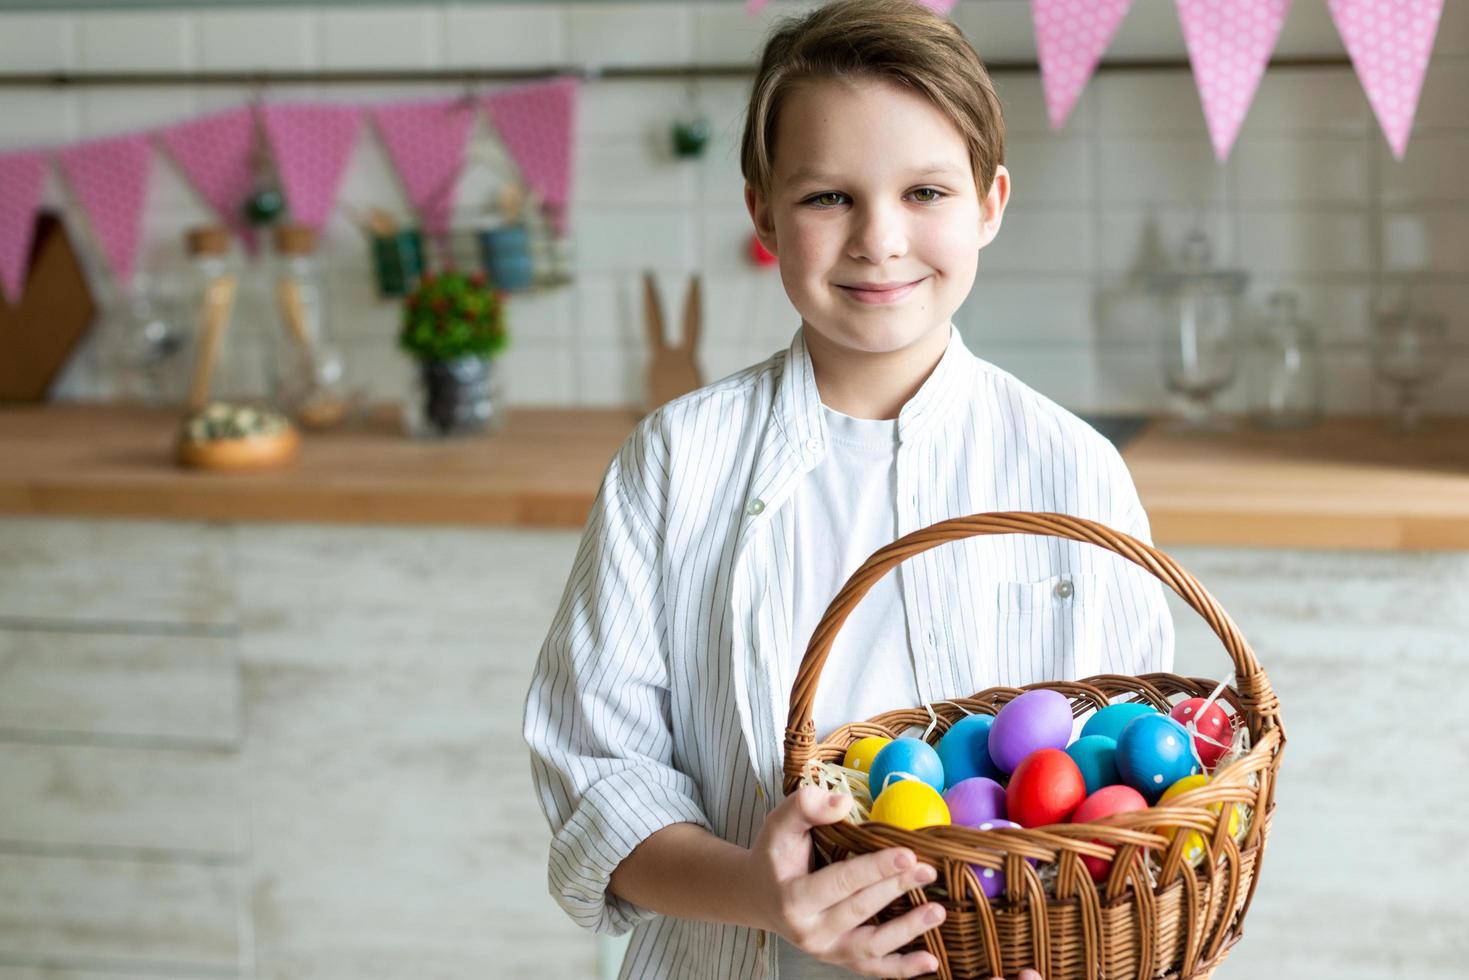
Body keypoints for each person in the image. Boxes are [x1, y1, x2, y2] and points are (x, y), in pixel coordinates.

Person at [523, 1, 1175, 977]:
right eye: (828, 196)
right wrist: (759, 887)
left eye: (923, 191)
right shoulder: (671, 465)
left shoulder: (1072, 470)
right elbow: (596, 784)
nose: (878, 238)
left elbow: (1132, 773)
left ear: (989, 203)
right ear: (761, 212)